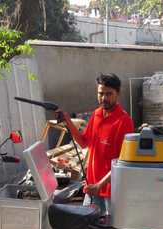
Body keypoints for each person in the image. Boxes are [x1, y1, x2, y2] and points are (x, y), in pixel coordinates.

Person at [57, 73, 134, 215]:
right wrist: (67, 120)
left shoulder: (124, 121)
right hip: (91, 189)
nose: (104, 98)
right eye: (100, 94)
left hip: (110, 194)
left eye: (109, 94)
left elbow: (123, 162)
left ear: (118, 94)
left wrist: (100, 185)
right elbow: (83, 142)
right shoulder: (96, 114)